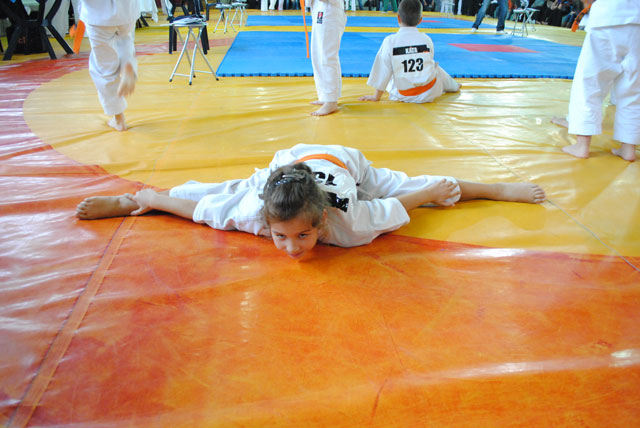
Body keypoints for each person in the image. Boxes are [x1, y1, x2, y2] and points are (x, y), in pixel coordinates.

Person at [76, 144, 546, 259]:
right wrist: (148, 199)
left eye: (302, 235)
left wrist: (431, 194)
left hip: (346, 163)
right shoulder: (256, 213)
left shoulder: (349, 222)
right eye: (281, 237)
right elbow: (200, 210)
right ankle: (133, 199)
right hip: (286, 164)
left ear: (321, 221)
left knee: (423, 183)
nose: (292, 247)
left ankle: (497, 187)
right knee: (222, 190)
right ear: (267, 224)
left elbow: (403, 203)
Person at [552, 0, 640, 161]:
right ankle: (628, 149)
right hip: (637, 21)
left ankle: (582, 146)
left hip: (608, 16)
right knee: (632, 91)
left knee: (589, 84)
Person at [359, 0, 461, 104]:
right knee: (435, 67)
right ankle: (454, 86)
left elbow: (383, 70)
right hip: (429, 91)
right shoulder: (426, 39)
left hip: (404, 94)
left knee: (391, 75)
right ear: (420, 20)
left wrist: (376, 96)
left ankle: (453, 85)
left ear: (398, 18)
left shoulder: (390, 41)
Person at [80, 0, 140, 132]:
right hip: (127, 11)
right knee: (125, 40)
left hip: (98, 14)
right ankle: (127, 63)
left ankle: (119, 119)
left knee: (104, 66)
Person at [308, 0, 347, 116]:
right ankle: (325, 96)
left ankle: (331, 100)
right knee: (318, 54)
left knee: (327, 56)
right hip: (320, 8)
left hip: (330, 9)